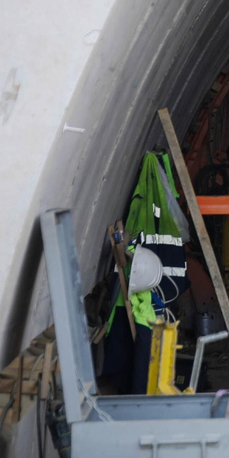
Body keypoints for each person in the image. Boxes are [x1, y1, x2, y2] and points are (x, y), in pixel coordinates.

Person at [99, 151, 190, 394]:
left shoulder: (148, 207)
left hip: (144, 289)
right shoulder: (151, 303)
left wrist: (127, 247)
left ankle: (139, 391)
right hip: (149, 292)